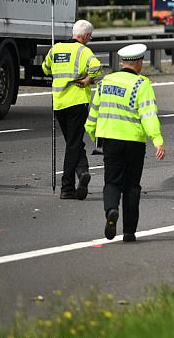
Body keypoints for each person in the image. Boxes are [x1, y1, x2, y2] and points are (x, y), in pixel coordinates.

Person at [85, 44, 166, 242]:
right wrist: (157, 141)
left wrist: (95, 134)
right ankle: (129, 232)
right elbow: (148, 115)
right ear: (138, 62)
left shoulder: (105, 82)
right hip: (134, 143)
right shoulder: (142, 84)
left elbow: (94, 112)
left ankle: (111, 210)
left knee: (112, 182)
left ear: (123, 62)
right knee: (132, 186)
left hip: (110, 141)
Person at [42, 19, 103, 200]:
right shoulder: (84, 51)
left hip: (59, 103)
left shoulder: (57, 49)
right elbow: (97, 67)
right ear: (85, 36)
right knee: (73, 144)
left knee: (73, 142)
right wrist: (87, 80)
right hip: (77, 102)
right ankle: (67, 187)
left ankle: (82, 171)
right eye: (89, 37)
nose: (89, 40)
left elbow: (46, 69)